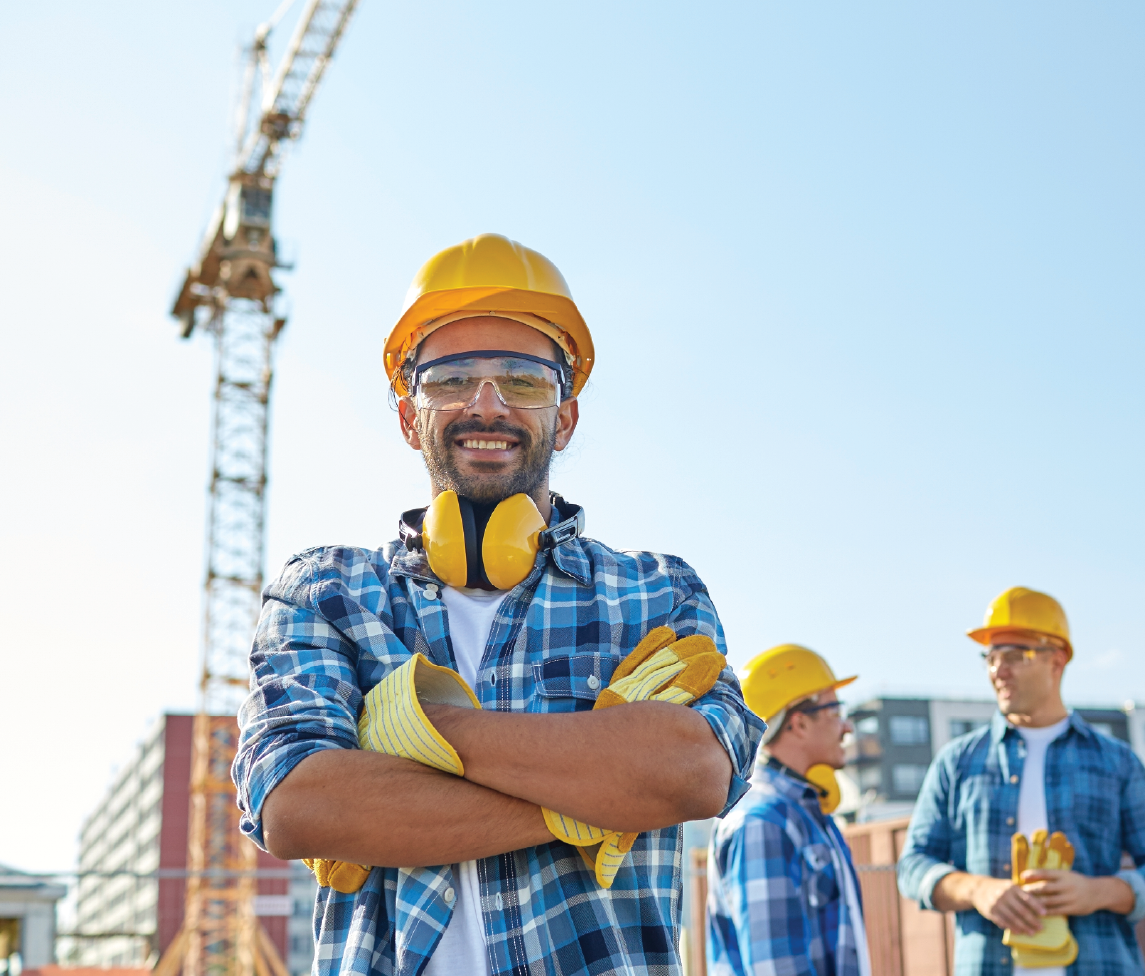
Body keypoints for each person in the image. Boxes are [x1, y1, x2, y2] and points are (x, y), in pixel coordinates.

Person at [232, 234, 765, 976]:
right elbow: (298, 807)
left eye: (522, 380)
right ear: (407, 416)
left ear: (566, 416)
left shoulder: (656, 591)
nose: (486, 405)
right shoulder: (323, 592)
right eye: (450, 379)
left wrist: (413, 732)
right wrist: (603, 793)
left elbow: (694, 775)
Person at [898, 588, 1145, 976]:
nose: (997, 670)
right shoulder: (957, 762)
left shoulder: (1117, 762)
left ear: (1058, 659)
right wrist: (978, 890)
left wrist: (1095, 893)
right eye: (990, 657)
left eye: (1014, 656)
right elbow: (913, 866)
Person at [706, 645, 871, 976]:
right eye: (836, 710)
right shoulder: (762, 823)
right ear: (799, 724)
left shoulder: (805, 813)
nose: (847, 727)